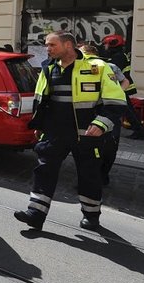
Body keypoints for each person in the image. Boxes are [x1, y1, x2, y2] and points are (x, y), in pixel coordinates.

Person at [15, 31, 127, 231]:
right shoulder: (49, 69)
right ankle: (35, 213)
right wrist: (39, 126)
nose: (47, 49)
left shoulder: (99, 67)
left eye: (52, 45)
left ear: (68, 45)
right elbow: (42, 101)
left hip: (87, 135)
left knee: (89, 175)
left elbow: (116, 101)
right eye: (47, 45)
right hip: (55, 133)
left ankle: (91, 216)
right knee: (44, 170)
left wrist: (102, 124)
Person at [80, 43, 128, 186]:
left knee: (109, 146)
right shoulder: (80, 67)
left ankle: (102, 175)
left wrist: (115, 93)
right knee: (92, 146)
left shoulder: (109, 66)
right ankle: (91, 177)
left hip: (108, 111)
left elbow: (125, 81)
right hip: (93, 111)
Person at [102, 34, 144, 140]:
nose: (105, 46)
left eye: (106, 44)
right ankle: (139, 131)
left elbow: (113, 71)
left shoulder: (117, 57)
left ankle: (140, 132)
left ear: (112, 44)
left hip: (122, 87)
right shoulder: (119, 55)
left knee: (128, 111)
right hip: (122, 86)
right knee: (127, 110)